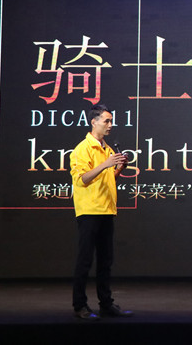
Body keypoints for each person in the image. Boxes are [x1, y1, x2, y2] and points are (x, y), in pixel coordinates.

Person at [70, 103, 133, 320]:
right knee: (85, 260)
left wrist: (119, 168)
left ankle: (106, 304)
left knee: (106, 261)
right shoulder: (83, 149)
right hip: (89, 210)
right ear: (93, 122)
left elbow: (107, 179)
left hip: (106, 209)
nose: (110, 125)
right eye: (106, 121)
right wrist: (106, 164)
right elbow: (82, 179)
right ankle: (79, 305)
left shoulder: (108, 149)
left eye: (111, 121)